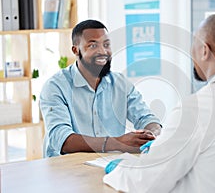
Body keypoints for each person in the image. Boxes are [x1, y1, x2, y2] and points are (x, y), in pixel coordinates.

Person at [103, 14, 215, 192]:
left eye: (193, 46)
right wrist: (164, 147)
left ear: (204, 50)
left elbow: (144, 183)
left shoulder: (198, 108)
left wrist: (120, 168)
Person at [40, 20, 161, 157]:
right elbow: (61, 139)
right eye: (92, 45)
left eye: (106, 45)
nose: (102, 51)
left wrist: (152, 134)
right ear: (76, 50)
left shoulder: (121, 83)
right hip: (65, 169)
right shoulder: (55, 86)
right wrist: (118, 143)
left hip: (107, 165)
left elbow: (146, 118)